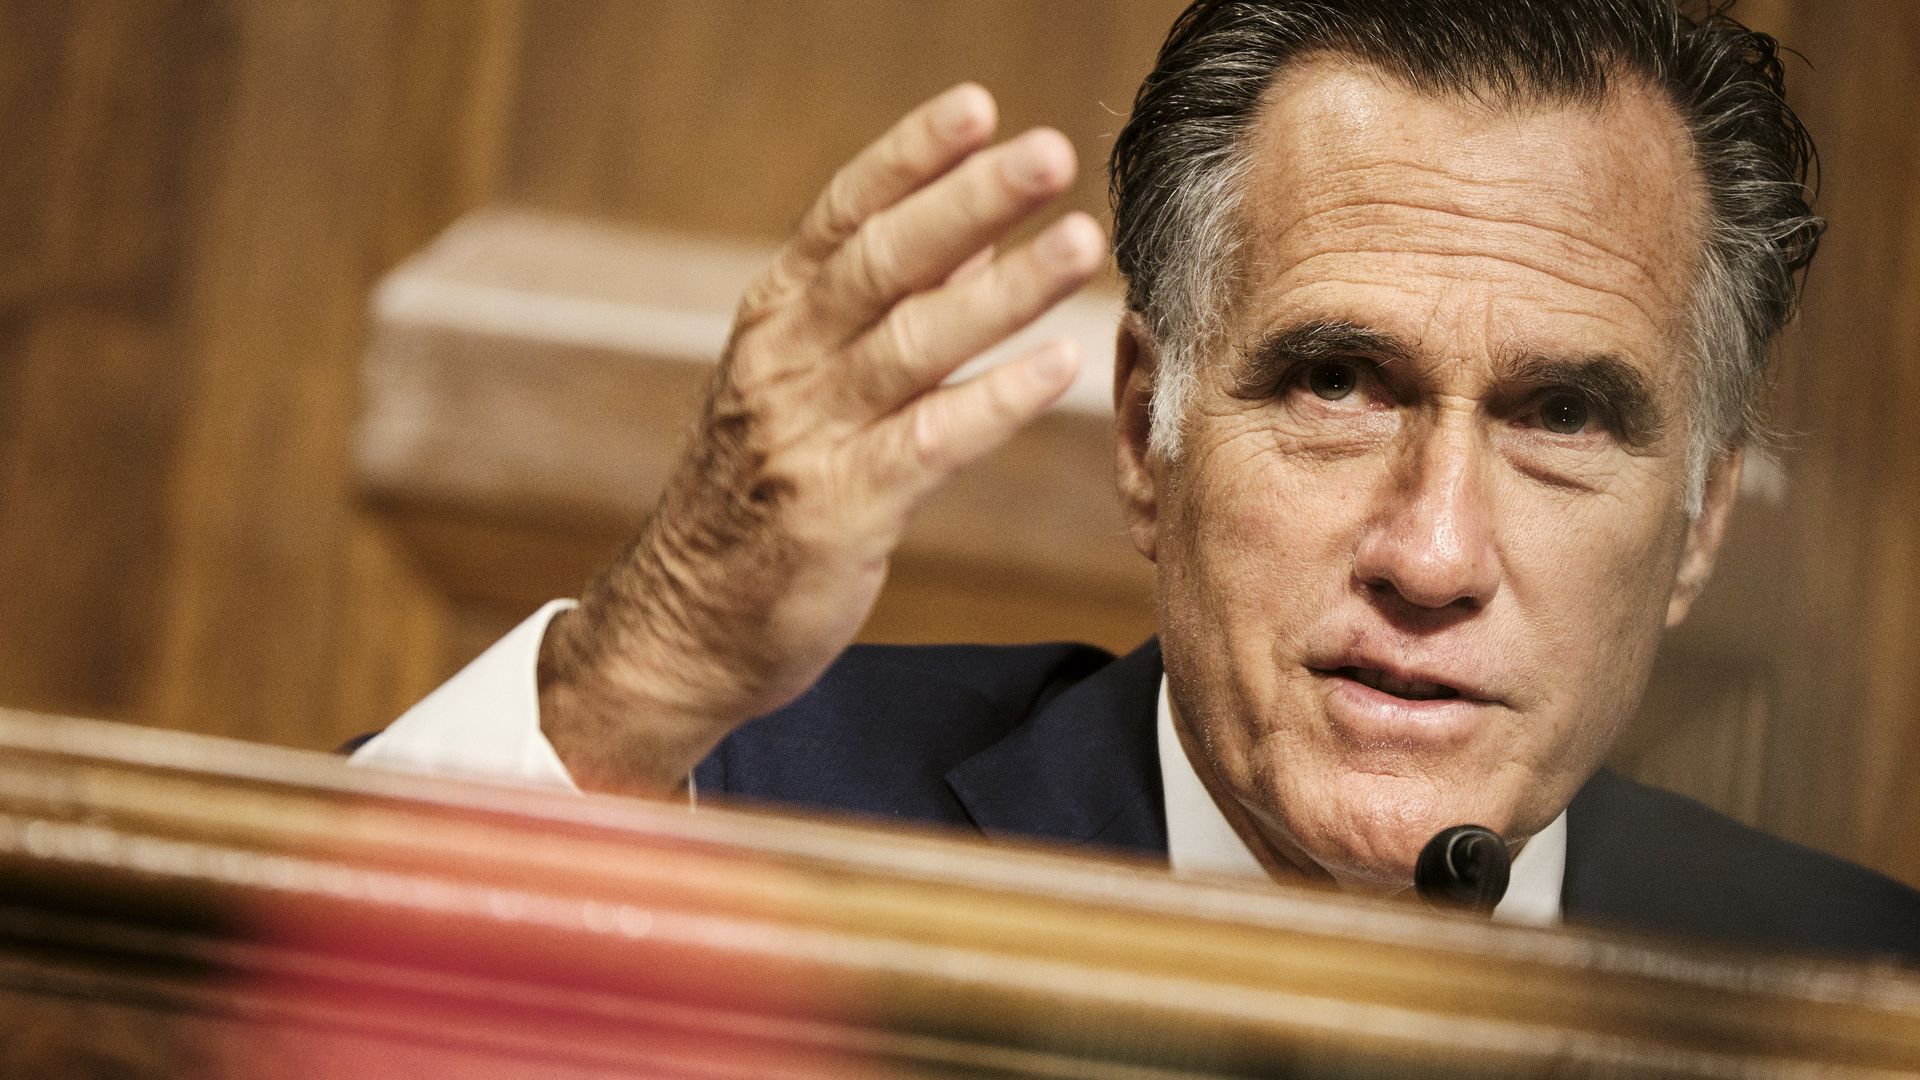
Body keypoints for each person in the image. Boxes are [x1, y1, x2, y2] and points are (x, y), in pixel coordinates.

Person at [354, 0, 1920, 957]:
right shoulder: (735, 819)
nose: (1434, 553)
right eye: (1334, 382)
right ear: (1144, 434)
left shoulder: (1850, 993)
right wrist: (640, 680)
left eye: (1565, 418)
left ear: (1701, 521)